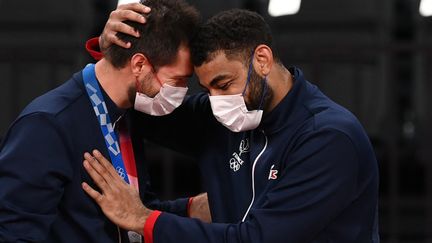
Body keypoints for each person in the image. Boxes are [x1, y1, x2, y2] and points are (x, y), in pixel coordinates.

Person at [83, 6, 380, 243]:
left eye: (224, 84)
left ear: (262, 59)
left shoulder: (329, 138)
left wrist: (143, 219)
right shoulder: (221, 113)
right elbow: (140, 105)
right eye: (207, 88)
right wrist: (112, 53)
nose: (217, 100)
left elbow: (257, 238)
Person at [0, 1, 205, 242]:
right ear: (139, 64)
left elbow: (132, 213)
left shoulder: (127, 114)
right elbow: (14, 236)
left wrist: (191, 209)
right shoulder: (47, 125)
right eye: (178, 80)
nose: (182, 91)